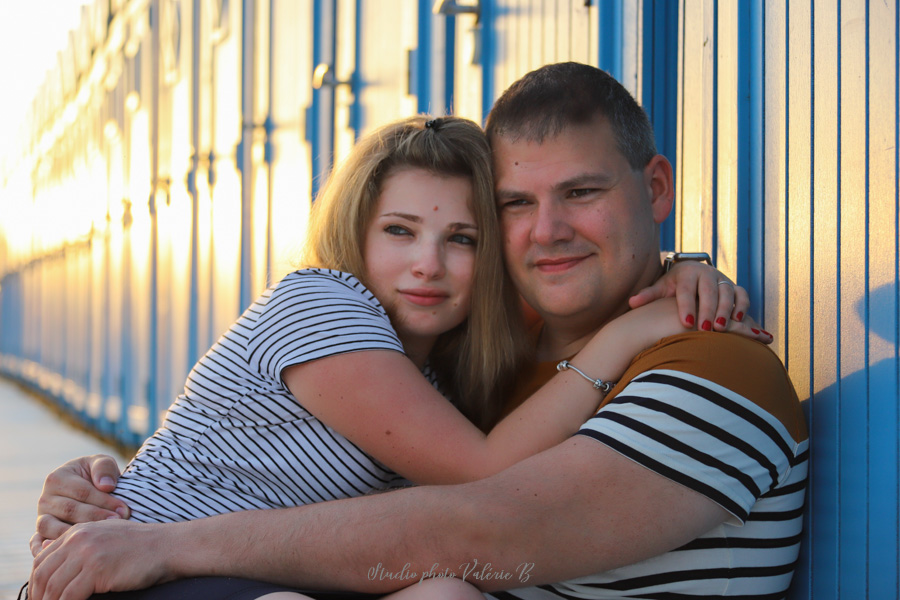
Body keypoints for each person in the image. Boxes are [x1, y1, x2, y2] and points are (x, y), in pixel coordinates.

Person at [27, 62, 802, 600]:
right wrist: (100, 499)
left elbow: (490, 529)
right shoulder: (503, 363)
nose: (549, 230)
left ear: (655, 188)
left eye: (583, 192)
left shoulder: (712, 367)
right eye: (516, 206)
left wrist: (164, 546)